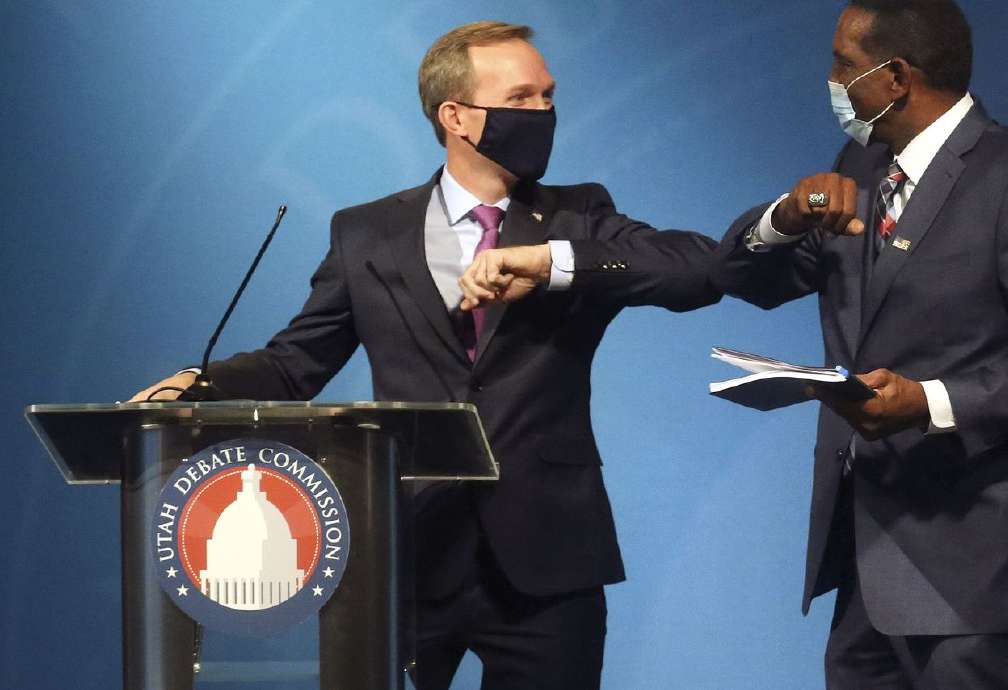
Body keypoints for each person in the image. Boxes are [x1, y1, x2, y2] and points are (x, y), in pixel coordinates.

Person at [132, 21, 718, 690]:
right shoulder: (367, 233)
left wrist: (556, 263)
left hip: (548, 565)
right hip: (405, 553)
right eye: (522, 98)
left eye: (549, 97)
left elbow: (696, 271)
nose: (544, 114)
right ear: (457, 117)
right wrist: (199, 383)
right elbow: (294, 365)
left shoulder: (577, 218)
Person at [703, 1, 1008, 687]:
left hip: (977, 563)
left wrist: (930, 402)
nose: (832, 79)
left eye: (843, 64)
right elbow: (739, 276)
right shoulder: (861, 165)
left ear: (894, 75)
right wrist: (781, 218)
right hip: (867, 555)